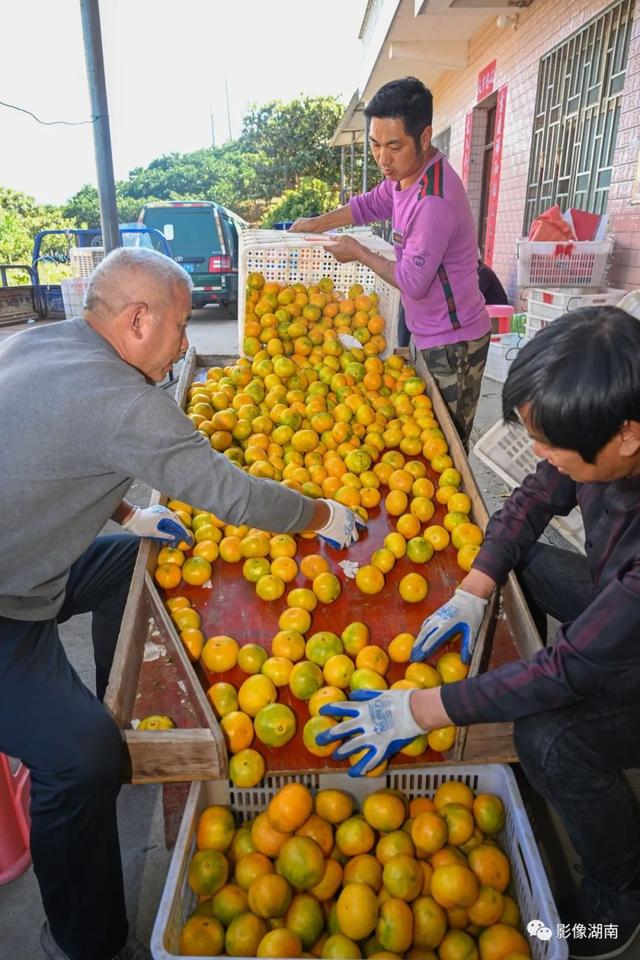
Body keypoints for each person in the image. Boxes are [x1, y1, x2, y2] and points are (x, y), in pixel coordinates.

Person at [0, 247, 363, 960]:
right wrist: (321, 514)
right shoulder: (123, 400)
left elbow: (50, 456)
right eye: (181, 324)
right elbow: (232, 491)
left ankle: (120, 689)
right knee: (83, 761)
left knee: (138, 563)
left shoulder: (43, 341)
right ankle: (84, 941)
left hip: (27, 562)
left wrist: (130, 514)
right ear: (138, 320)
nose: (187, 341)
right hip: (9, 604)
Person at [319, 307, 640, 960]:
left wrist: (420, 707)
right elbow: (530, 499)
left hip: (624, 630)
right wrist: (475, 587)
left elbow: (567, 671)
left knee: (549, 737)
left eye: (553, 446)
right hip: (617, 608)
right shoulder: (596, 429)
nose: (542, 457)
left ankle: (622, 887)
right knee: (526, 561)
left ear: (627, 437)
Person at [290, 76, 491, 450]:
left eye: (394, 146)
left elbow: (413, 282)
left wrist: (359, 253)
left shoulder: (434, 201)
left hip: (455, 342)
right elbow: (369, 204)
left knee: (444, 446)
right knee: (421, 435)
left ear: (425, 136)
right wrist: (319, 223)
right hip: (426, 329)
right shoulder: (406, 176)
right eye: (375, 145)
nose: (383, 158)